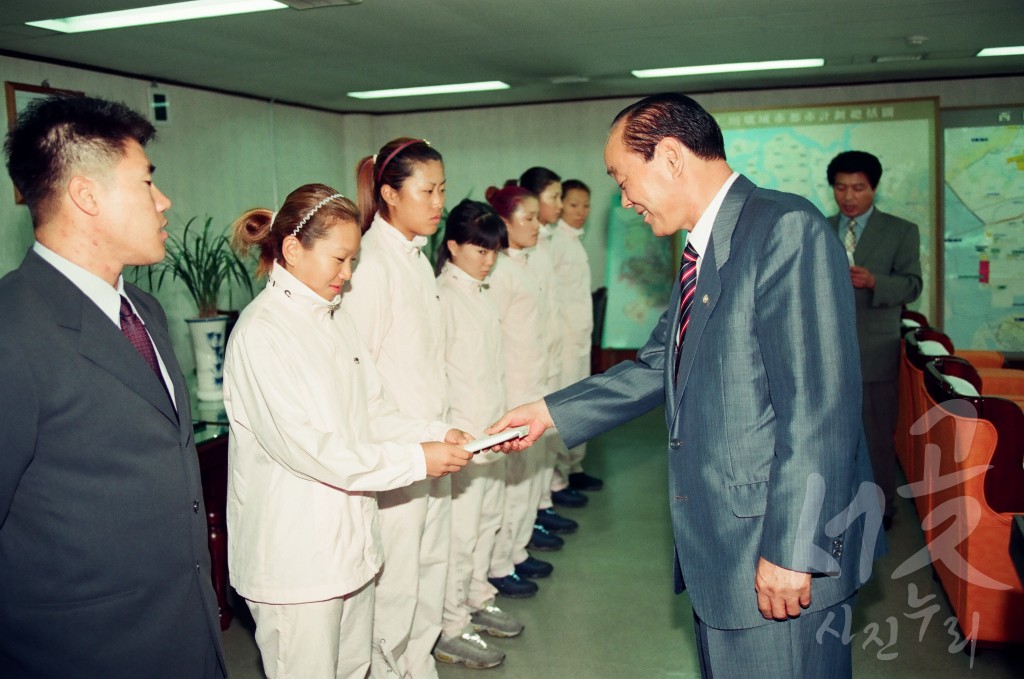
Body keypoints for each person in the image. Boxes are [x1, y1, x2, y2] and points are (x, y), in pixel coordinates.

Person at [489, 93, 883, 678]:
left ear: (670, 157)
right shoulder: (707, 246)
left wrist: (795, 551)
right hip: (725, 554)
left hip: (774, 552)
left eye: (625, 180)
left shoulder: (783, 229)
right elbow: (656, 364)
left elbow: (818, 407)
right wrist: (549, 412)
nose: (624, 201)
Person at [0, 95, 226, 678]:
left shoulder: (143, 310)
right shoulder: (12, 328)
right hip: (82, 653)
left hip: (184, 632)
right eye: (146, 182)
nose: (163, 200)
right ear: (86, 195)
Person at [223, 184, 472, 678]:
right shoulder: (262, 333)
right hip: (297, 560)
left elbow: (373, 413)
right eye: (339, 259)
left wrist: (437, 433)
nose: (348, 274)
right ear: (292, 250)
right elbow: (311, 450)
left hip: (351, 549)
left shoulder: (332, 320)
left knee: (356, 667)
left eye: (353, 260)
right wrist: (416, 461)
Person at [347, 137, 454, 679]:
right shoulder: (369, 264)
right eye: (426, 190)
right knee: (398, 574)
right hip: (397, 450)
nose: (438, 202)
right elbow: (358, 371)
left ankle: (419, 662)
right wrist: (410, 439)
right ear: (389, 193)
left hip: (433, 441)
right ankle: (387, 670)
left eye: (442, 189)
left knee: (433, 563)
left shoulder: (415, 258)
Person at [433, 199, 521, 669]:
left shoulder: (481, 293)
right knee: (460, 536)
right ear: (452, 247)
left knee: (488, 524)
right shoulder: (442, 297)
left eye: (493, 250)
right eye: (479, 248)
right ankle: (450, 627)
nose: (488, 258)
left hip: (491, 429)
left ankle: (476, 599)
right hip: (463, 437)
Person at [826, 150, 922, 530]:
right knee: (828, 435)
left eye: (859, 188)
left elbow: (913, 285)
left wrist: (875, 281)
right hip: (825, 352)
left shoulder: (901, 231)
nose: (849, 197)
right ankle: (833, 506)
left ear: (875, 188)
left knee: (876, 435)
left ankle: (879, 511)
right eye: (841, 188)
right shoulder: (818, 226)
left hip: (874, 350)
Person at [484, 184, 553, 594]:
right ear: (504, 224)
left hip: (534, 385)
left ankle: (516, 552)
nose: (536, 226)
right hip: (514, 392)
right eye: (526, 219)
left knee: (527, 480)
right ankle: (499, 563)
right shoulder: (499, 273)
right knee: (511, 483)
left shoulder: (524, 264)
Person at [548, 179, 601, 494]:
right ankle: (558, 479)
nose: (581, 211)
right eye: (573, 204)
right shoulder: (554, 242)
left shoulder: (575, 242)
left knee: (580, 403)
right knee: (564, 407)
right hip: (564, 340)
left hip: (581, 339)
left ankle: (575, 466)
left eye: (585, 205)